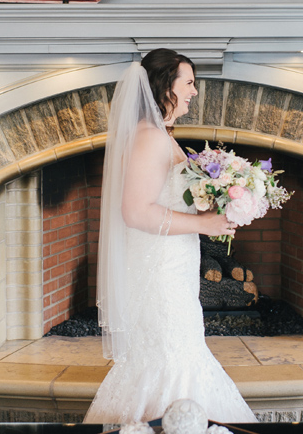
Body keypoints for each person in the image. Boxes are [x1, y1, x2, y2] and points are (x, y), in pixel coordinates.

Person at [84, 48, 256, 425]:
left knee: (179, 351)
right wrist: (203, 224)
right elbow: (136, 211)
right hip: (158, 273)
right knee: (170, 355)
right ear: (165, 87)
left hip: (173, 267)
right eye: (189, 83)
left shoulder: (160, 135)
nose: (195, 92)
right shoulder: (149, 138)